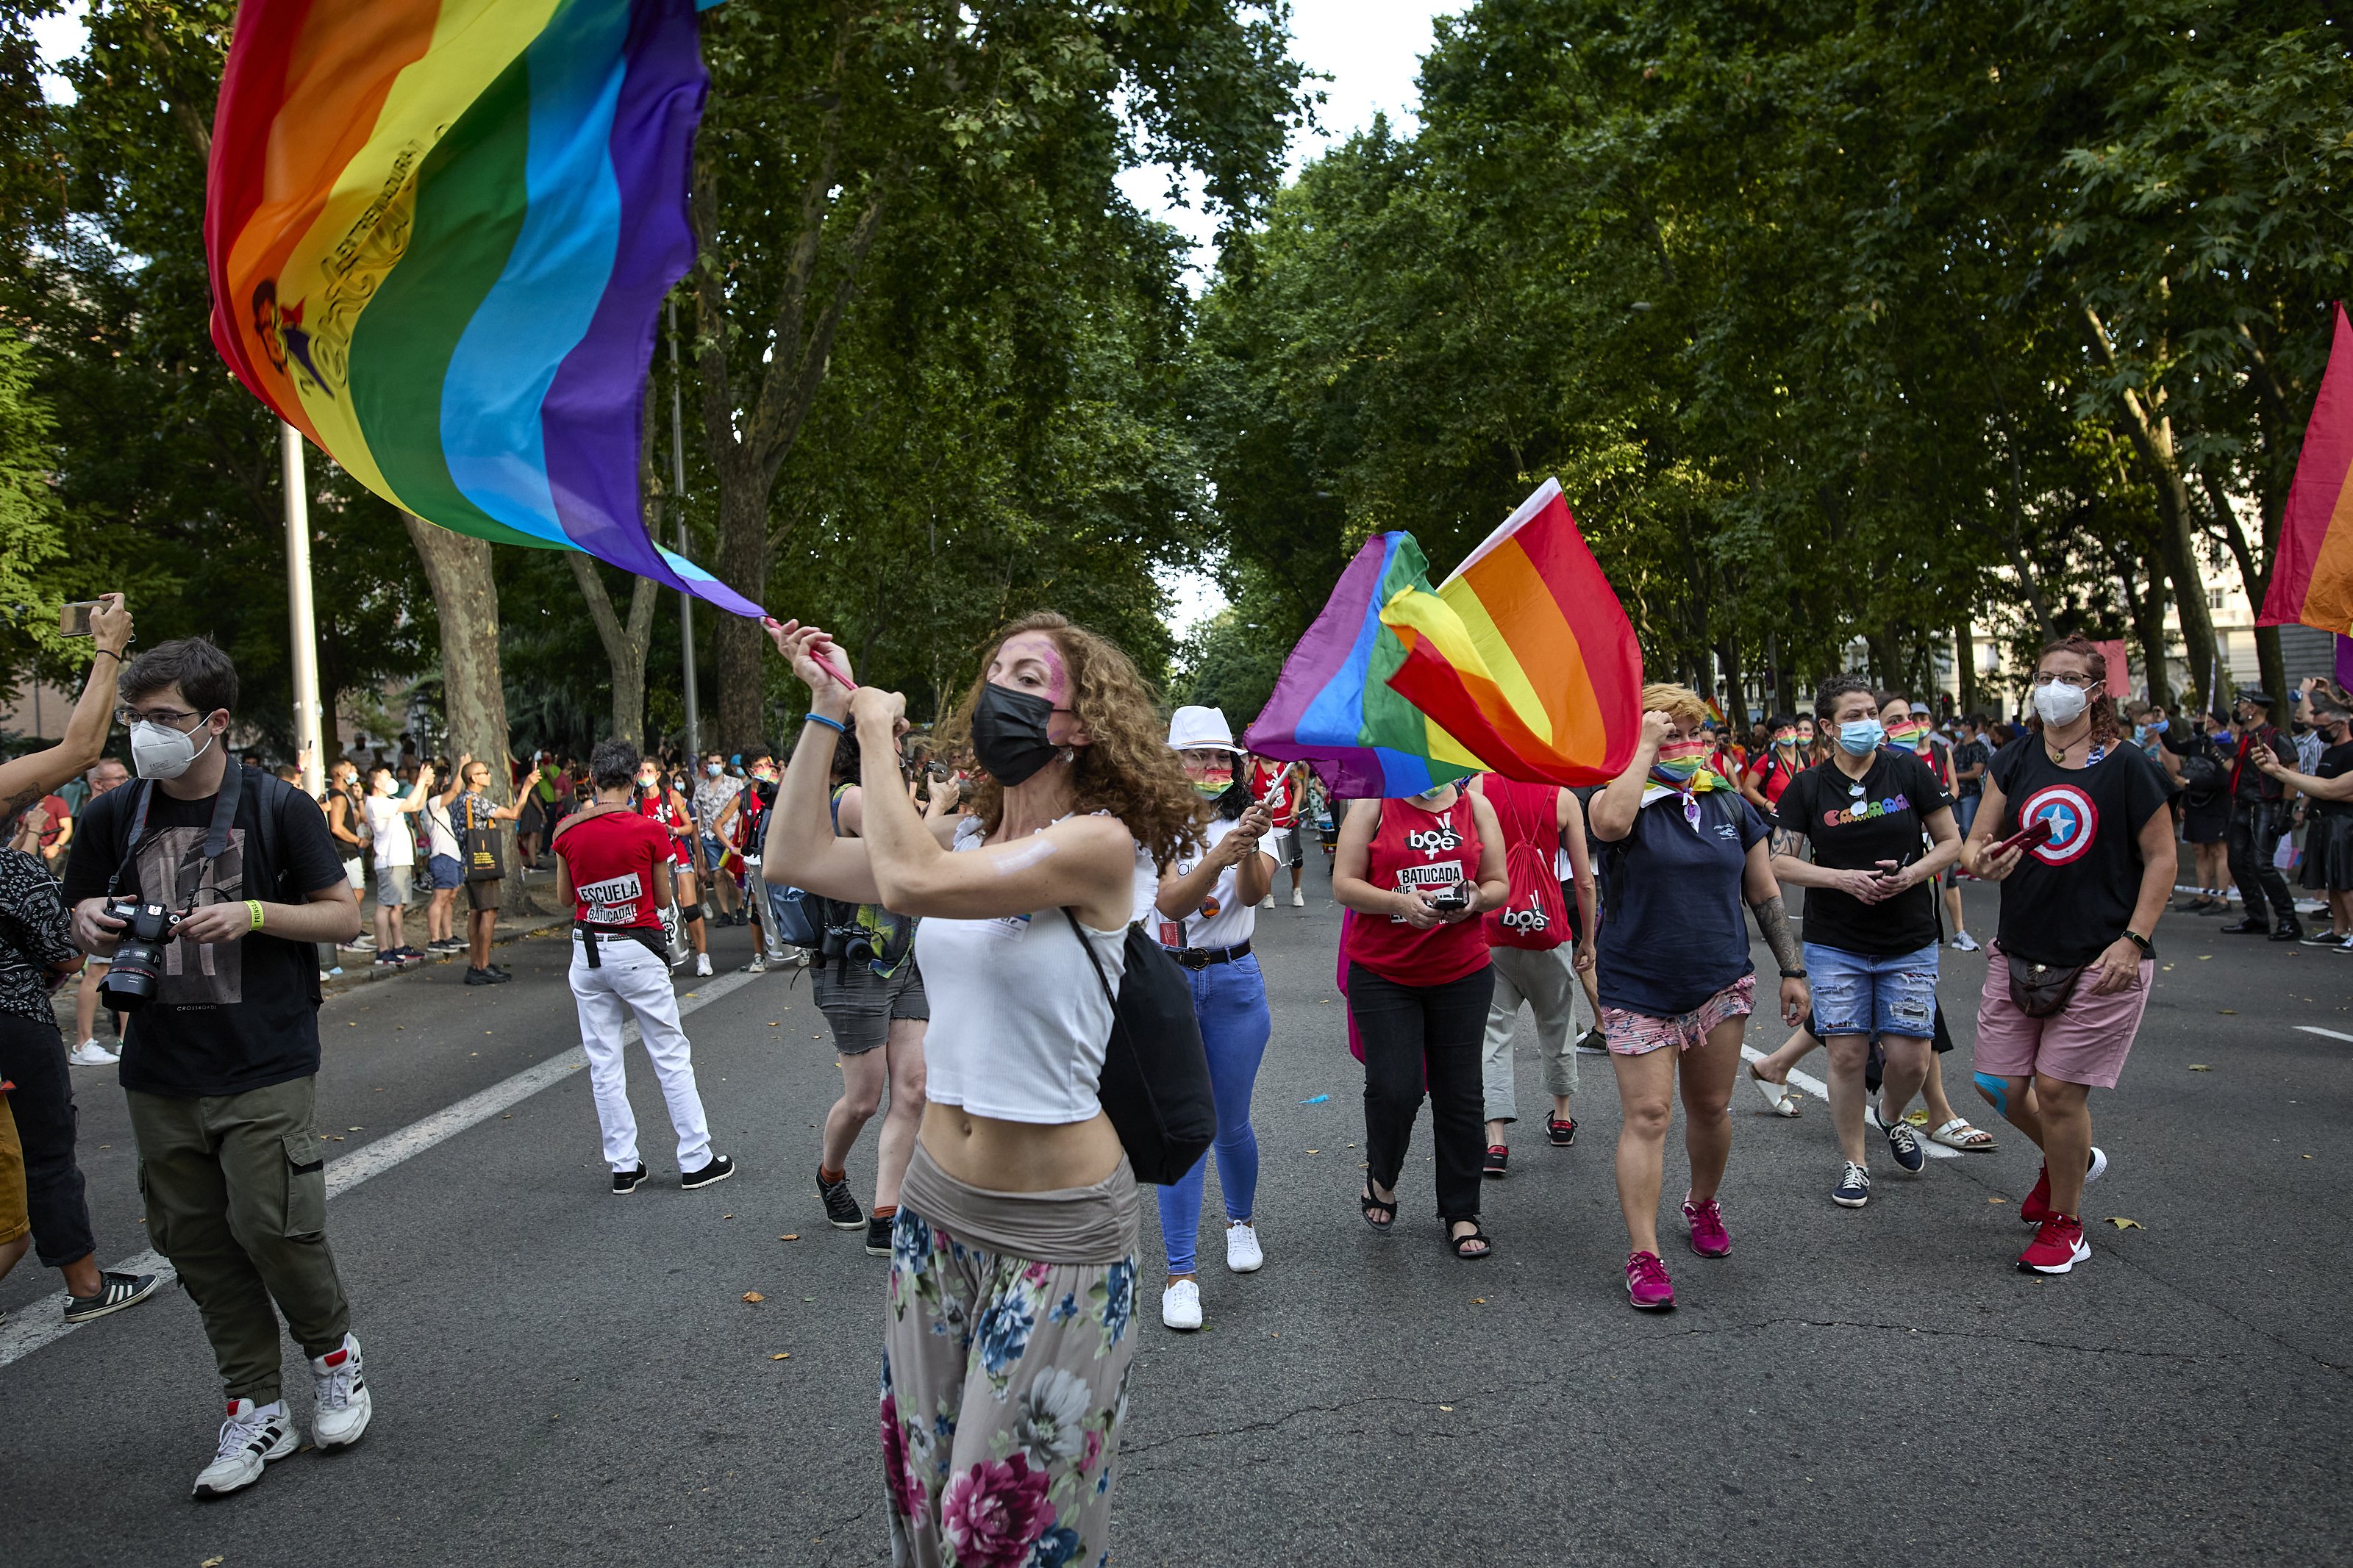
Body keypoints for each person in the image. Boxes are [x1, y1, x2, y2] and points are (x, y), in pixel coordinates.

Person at [765, 610, 1199, 1568]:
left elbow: (909, 883)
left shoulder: (1099, 844)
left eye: (1032, 676)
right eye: (996, 668)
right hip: (934, 1211)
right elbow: (792, 858)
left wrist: (881, 733)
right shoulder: (961, 833)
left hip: (1060, 1236)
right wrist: (829, 714)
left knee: (1005, 1536)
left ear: (1080, 723)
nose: (1003, 683)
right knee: (923, 1500)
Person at [62, 635, 371, 1497]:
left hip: (262, 1059)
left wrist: (255, 915)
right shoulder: (108, 817)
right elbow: (74, 920)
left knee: (273, 1226)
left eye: (165, 719)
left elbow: (345, 919)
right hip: (159, 1066)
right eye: (136, 718)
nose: (145, 736)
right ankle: (252, 1405)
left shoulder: (279, 807)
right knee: (195, 1242)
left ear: (217, 723)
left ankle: (334, 1359)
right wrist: (86, 922)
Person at [1588, 684, 1806, 1309]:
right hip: (1638, 984)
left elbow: (1763, 892)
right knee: (1650, 1115)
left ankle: (1702, 1203)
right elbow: (1608, 824)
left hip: (1717, 981)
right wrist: (1642, 748)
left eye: (1695, 731)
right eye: (1669, 730)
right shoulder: (1624, 795)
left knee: (1710, 1108)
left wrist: (1793, 969)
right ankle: (1644, 1252)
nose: (1686, 742)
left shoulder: (1732, 807)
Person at [1960, 636, 2172, 1274]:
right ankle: (2068, 1160)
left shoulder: (2129, 765)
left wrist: (2133, 940)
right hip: (2021, 948)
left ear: (2095, 690)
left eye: (2068, 677)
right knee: (1997, 1084)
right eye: (2045, 675)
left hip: (2103, 955)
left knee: (2056, 1091)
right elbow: (1975, 845)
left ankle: (2066, 1222)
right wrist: (1985, 861)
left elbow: (2162, 858)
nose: (2053, 687)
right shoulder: (2016, 757)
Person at [1768, 679, 1963, 1209]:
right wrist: (1842, 878)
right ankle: (1855, 1163)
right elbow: (1779, 861)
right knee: (1848, 1054)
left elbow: (1951, 842)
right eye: (1854, 714)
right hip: (1837, 942)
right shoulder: (1808, 787)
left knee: (1910, 1059)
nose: (1868, 722)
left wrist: (1911, 874)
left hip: (1908, 937)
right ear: (1828, 727)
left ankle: (1893, 1114)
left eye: (1872, 712)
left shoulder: (1908, 770)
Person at [0, 790, 163, 1328]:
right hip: (14, 1022)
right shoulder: (13, 870)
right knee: (46, 1154)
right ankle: (87, 1285)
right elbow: (69, 951)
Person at [1332, 771, 1509, 1260]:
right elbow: (1344, 885)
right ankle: (1381, 1175)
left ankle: (1461, 1210)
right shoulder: (1374, 802)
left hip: (1462, 972)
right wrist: (1398, 903)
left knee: (1460, 1093)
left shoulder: (1476, 806)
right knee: (1397, 1087)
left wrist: (1474, 899)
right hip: (1384, 973)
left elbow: (1499, 885)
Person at [550, 738, 734, 1195]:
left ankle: (624, 1165)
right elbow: (666, 898)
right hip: (637, 948)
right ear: (634, 781)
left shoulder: (566, 830)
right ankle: (695, 1157)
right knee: (669, 1054)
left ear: (593, 781)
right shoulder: (649, 831)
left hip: (588, 951)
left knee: (603, 1062)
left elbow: (564, 897)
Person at [1151, 706, 1277, 1331]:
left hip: (1234, 980)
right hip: (1167, 981)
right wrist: (1219, 854)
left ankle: (1241, 1222)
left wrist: (1249, 847)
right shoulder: (1152, 822)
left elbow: (1253, 895)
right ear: (1172, 762)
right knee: (1183, 1129)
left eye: (1222, 757)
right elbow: (1170, 899)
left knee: (1231, 1122)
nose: (1212, 767)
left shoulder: (1256, 819)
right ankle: (1180, 1273)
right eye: (1198, 756)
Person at [802, 721, 931, 1257]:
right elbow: (905, 846)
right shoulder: (851, 798)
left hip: (906, 957)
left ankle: (887, 1212)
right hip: (856, 963)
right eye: (892, 743)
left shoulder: (879, 796)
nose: (900, 751)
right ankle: (831, 1175)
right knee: (864, 1099)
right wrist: (937, 805)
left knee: (914, 1087)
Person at [1471, 772, 1596, 1170]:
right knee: (1558, 1025)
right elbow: (1584, 881)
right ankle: (1561, 1118)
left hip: (1493, 929)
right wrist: (1588, 940)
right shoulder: (1562, 797)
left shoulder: (1478, 788)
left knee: (1494, 1033)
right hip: (1548, 929)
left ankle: (1496, 1140)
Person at [2251, 703, 2353, 949]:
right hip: (2323, 820)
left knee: (2346, 881)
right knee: (2333, 880)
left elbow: (2331, 790)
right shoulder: (2329, 752)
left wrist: (2278, 771)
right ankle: (2339, 930)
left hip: (2343, 823)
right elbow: (2326, 787)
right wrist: (2277, 771)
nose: (2318, 731)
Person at [2220, 690, 2302, 940]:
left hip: (2264, 807)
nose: (2238, 708)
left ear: (2253, 709)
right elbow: (2235, 770)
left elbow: (2291, 773)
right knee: (2236, 862)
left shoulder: (2276, 737)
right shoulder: (2245, 737)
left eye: (2241, 704)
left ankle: (2289, 920)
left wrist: (2286, 812)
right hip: (2242, 806)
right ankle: (2256, 917)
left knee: (2262, 864)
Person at [67, 758, 132, 1066]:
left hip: (123, 903)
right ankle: (83, 1042)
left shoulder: (121, 810)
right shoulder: (96, 814)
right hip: (103, 905)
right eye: (116, 778)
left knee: (126, 967)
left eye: (125, 776)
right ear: (97, 784)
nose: (125, 781)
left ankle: (125, 1039)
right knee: (98, 971)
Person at [453, 754, 539, 985]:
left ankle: (475, 963)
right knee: (489, 912)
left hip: (467, 863)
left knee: (476, 912)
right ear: (473, 777)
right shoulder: (477, 801)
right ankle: (482, 965)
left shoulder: (460, 801)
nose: (489, 775)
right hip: (484, 864)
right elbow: (513, 814)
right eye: (484, 772)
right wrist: (527, 787)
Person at [632, 755, 710, 975]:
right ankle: (665, 958)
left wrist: (674, 830)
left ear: (657, 775)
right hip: (651, 863)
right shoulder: (634, 803)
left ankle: (703, 957)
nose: (643, 776)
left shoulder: (673, 797)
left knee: (690, 908)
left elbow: (689, 828)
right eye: (640, 772)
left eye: (648, 771)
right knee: (659, 912)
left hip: (678, 856)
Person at [362, 761, 433, 963]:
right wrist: (420, 780)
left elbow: (417, 806)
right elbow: (411, 804)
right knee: (385, 905)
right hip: (390, 861)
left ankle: (399, 946)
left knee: (397, 906)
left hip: (400, 860)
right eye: (386, 777)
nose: (391, 780)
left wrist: (425, 786)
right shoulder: (376, 804)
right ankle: (383, 951)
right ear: (376, 782)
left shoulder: (389, 800)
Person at [2167, 708, 2233, 913]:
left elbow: (2224, 780)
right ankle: (2203, 894)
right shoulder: (2198, 743)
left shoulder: (2226, 747)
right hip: (2194, 802)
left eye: (2202, 717)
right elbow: (2175, 747)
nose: (2197, 720)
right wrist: (2162, 728)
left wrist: (2189, 783)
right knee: (2199, 849)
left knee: (2217, 849)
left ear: (2213, 722)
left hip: (2216, 804)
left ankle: (2222, 897)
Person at [1249, 753, 1312, 907]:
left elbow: (1297, 786)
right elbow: (1243, 789)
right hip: (1265, 823)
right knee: (1265, 859)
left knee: (1296, 857)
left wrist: (1295, 806)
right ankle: (1267, 893)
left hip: (1287, 820)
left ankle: (1296, 889)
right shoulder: (1253, 767)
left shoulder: (1285, 765)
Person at [692, 752, 745, 926]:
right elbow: (698, 817)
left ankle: (740, 907)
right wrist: (698, 840)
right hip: (710, 837)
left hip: (731, 835)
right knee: (717, 875)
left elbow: (743, 810)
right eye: (710, 763)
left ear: (723, 764)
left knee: (732, 875)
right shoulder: (700, 790)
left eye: (716, 762)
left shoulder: (735, 784)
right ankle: (725, 912)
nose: (712, 766)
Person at [421, 763, 467, 955]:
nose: (448, 784)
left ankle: (447, 936)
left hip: (452, 856)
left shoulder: (443, 807)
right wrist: (462, 767)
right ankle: (434, 939)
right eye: (445, 781)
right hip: (443, 856)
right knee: (440, 899)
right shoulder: (433, 804)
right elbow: (456, 790)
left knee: (449, 898)